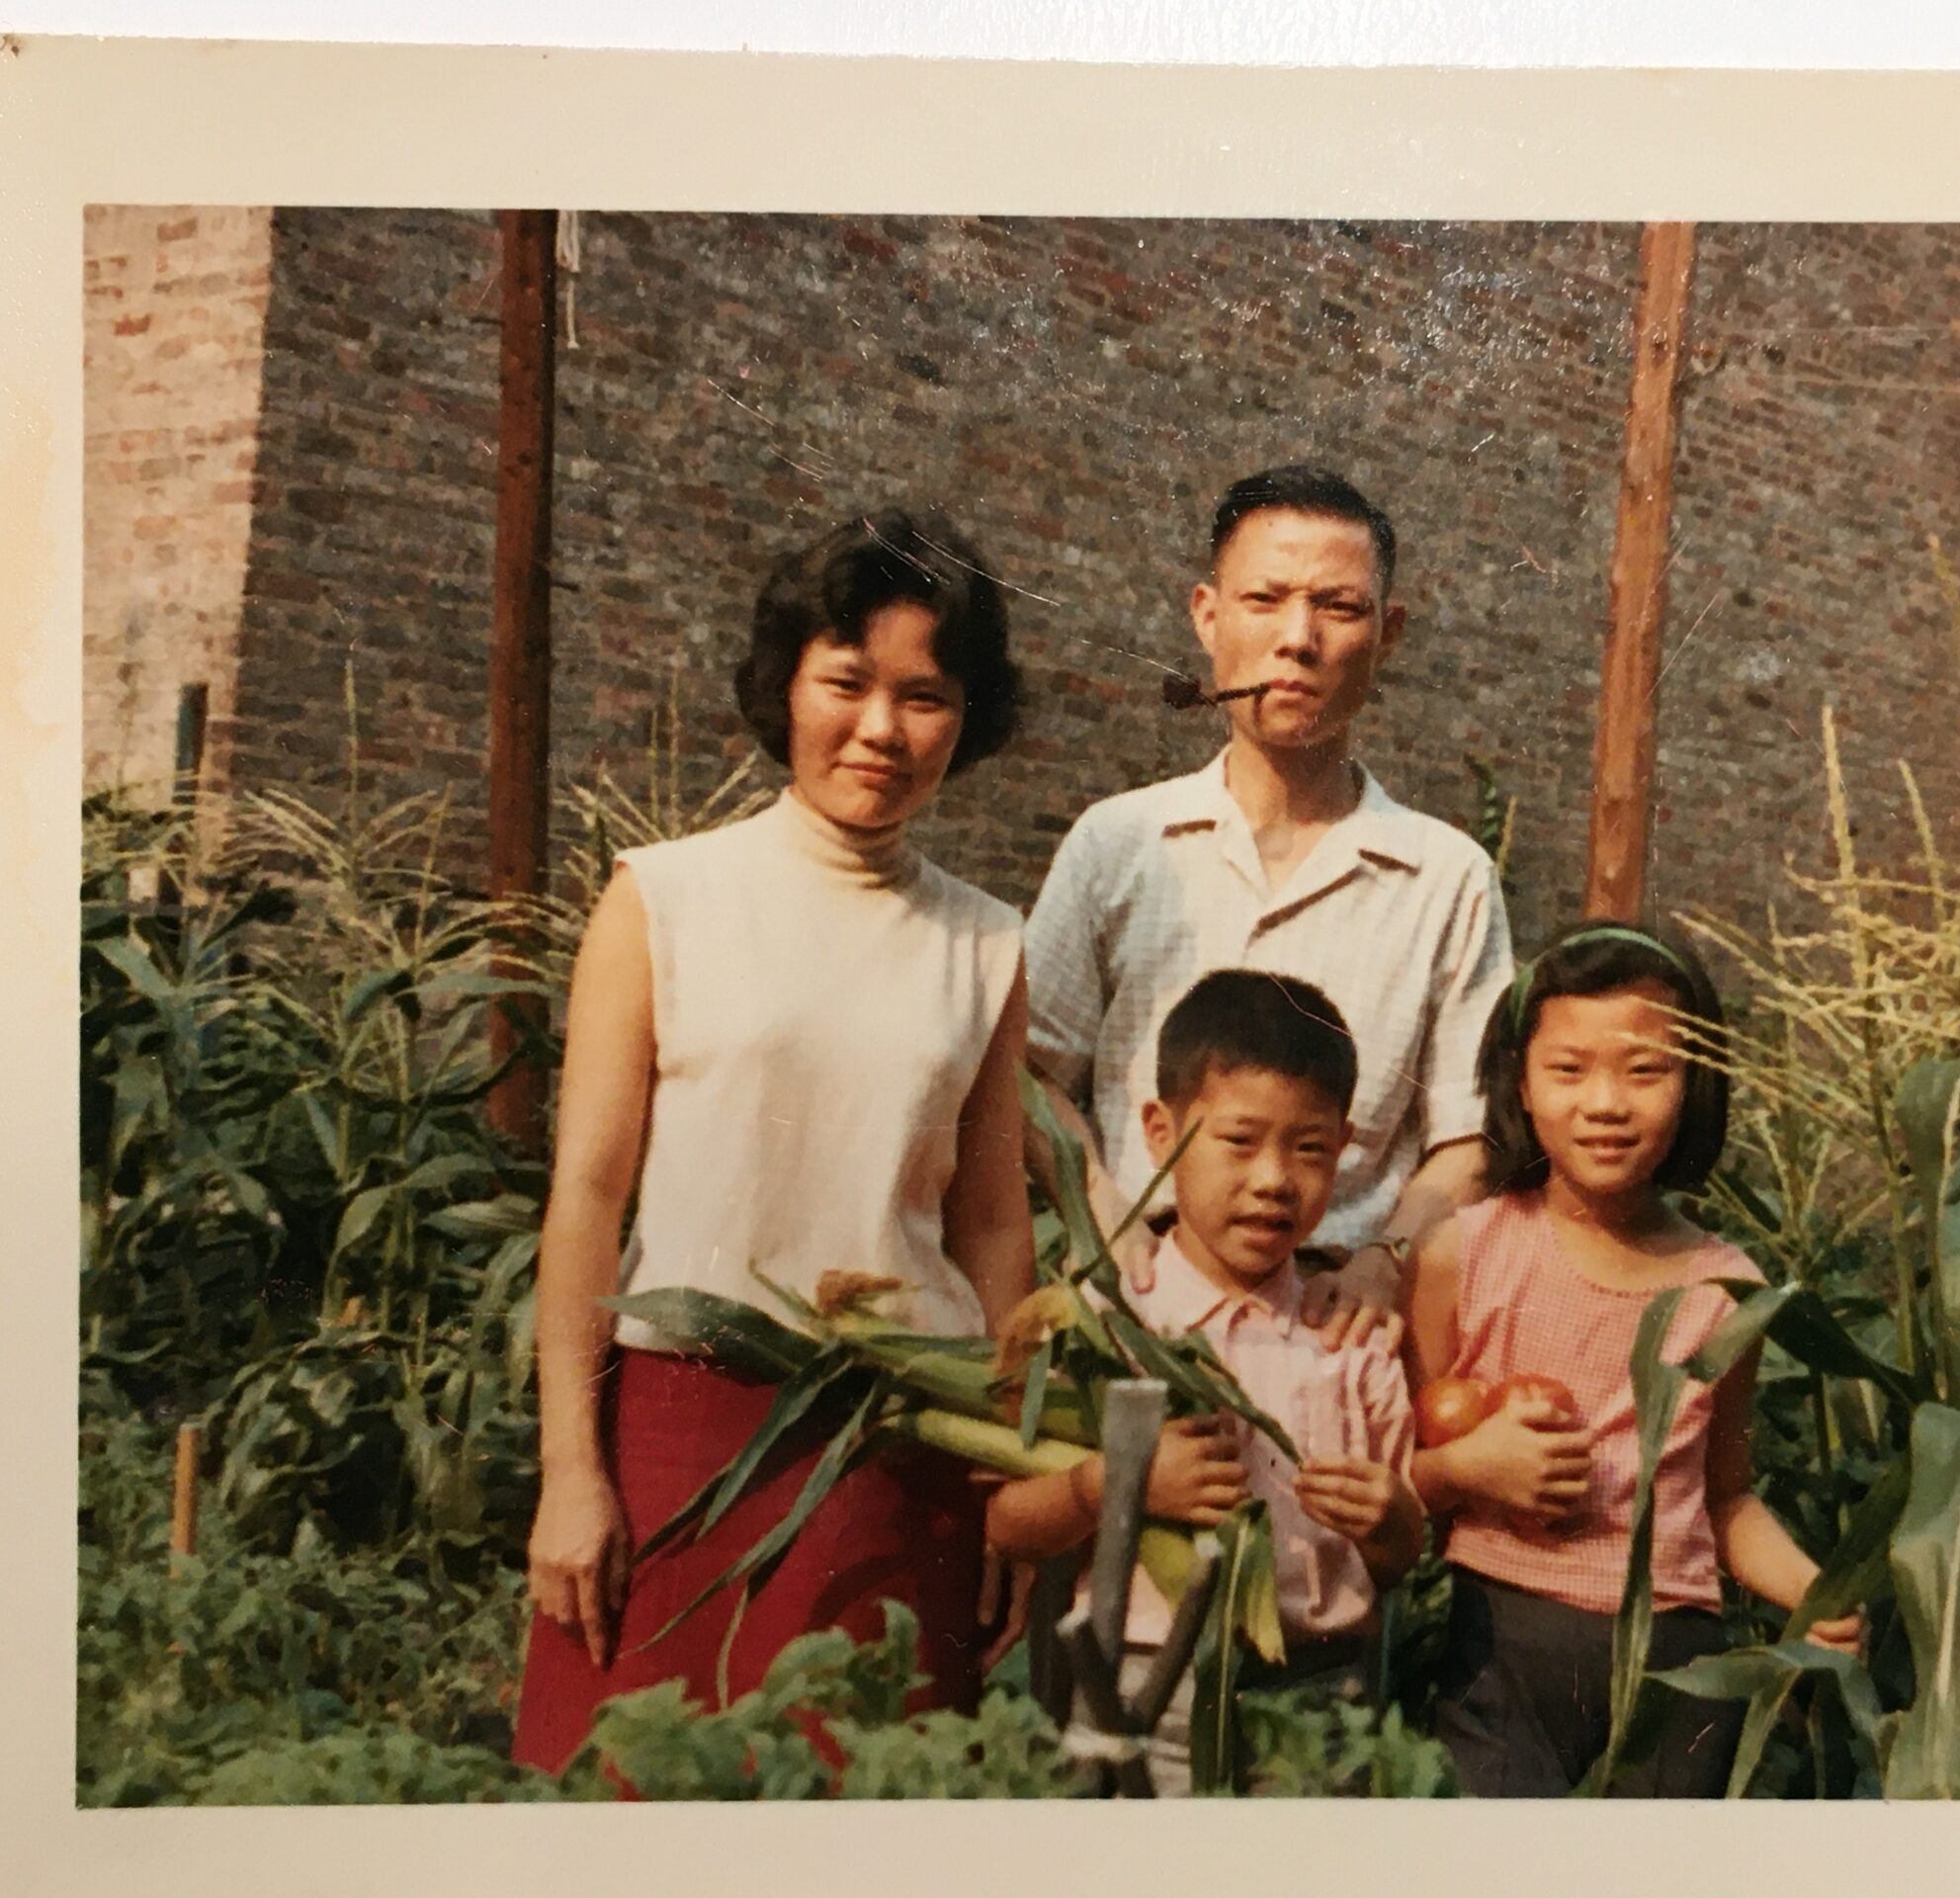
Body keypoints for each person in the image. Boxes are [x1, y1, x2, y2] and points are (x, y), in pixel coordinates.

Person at [510, 510, 1037, 1775]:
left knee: (862, 1809)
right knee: (630, 1803)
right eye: (847, 682)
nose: (881, 730)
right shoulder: (663, 899)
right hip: (676, 1438)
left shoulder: (985, 945)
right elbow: (586, 1196)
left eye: (926, 696)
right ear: (786, 685)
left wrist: (1014, 1486)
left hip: (900, 1454)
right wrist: (572, 1475)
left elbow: (991, 1225)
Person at [1023, 466, 1513, 1329]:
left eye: (1339, 606)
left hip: (1337, 1330)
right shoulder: (1119, 844)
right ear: (1209, 616)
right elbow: (1030, 1076)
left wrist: (1382, 1262)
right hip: (1137, 1308)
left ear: (1388, 632)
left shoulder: (1448, 877)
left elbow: (1466, 1137)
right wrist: (1101, 1208)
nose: (1299, 638)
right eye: (1266, 600)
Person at [1405, 921, 1863, 1797]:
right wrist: (1470, 1469)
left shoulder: (1726, 1287)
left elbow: (1722, 1494)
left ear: (1695, 1085)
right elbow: (1401, 1481)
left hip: (1675, 1672)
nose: (1605, 1103)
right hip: (1498, 1649)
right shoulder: (1464, 1255)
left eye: (1646, 1070)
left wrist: (1813, 1587)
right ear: (1521, 1085)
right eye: (1568, 1070)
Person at [984, 970, 1424, 1794]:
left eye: (1311, 1149)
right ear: (1160, 1132)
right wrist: (1118, 1487)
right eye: (1239, 1141)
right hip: (1146, 1693)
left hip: (1319, 1697)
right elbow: (1009, 1523)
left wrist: (1391, 1519)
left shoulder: (1350, 1338)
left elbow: (1397, 1560)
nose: (1273, 1180)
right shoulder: (1110, 1319)